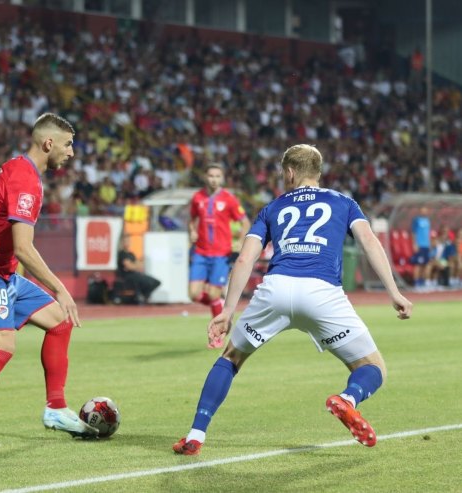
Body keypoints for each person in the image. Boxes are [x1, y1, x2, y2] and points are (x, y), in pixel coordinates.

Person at [173, 144, 413, 456]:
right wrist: (393, 292)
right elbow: (369, 240)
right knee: (372, 366)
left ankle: (195, 435)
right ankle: (349, 399)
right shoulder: (344, 202)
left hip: (275, 288)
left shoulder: (272, 207)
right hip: (323, 293)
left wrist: (228, 311)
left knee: (230, 358)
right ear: (318, 172)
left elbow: (245, 259)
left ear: (289, 173)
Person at [0, 113, 98, 448]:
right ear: (48, 143)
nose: (72, 152)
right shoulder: (25, 178)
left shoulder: (21, 169)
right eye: (68, 144)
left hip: (2, 272)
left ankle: (55, 408)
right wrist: (60, 288)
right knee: (2, 346)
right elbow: (23, 247)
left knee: (59, 321)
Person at [188, 163, 250, 347]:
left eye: (217, 176)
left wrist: (240, 241)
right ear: (205, 177)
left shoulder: (229, 199)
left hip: (220, 254)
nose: (213, 179)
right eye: (211, 175)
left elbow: (245, 222)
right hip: (200, 252)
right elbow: (192, 220)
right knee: (193, 294)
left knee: (212, 293)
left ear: (222, 179)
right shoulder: (197, 197)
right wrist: (192, 231)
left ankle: (217, 335)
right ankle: (220, 305)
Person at [115, 233, 161, 304]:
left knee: (156, 282)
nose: (127, 243)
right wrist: (134, 266)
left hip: (136, 274)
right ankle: (139, 297)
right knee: (137, 280)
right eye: (125, 241)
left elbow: (139, 266)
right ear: (122, 242)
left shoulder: (131, 254)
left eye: (128, 241)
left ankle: (144, 297)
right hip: (127, 276)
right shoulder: (122, 254)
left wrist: (134, 265)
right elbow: (129, 267)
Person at [410, 206, 430, 290]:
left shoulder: (428, 221)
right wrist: (415, 244)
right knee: (418, 264)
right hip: (420, 245)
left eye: (425, 210)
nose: (424, 212)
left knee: (425, 265)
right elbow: (413, 233)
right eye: (423, 210)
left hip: (426, 245)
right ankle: (416, 283)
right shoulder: (417, 220)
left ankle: (423, 282)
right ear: (420, 211)